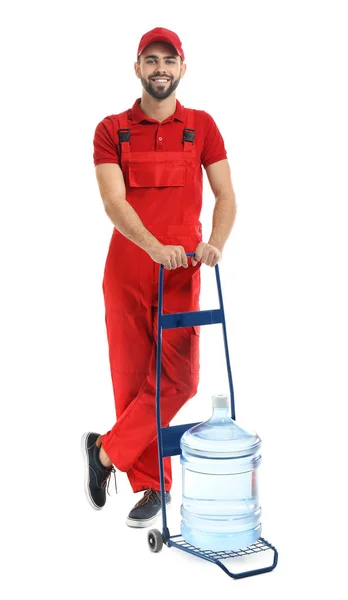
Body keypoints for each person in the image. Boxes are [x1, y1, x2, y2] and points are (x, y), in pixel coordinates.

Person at [82, 27, 237, 528]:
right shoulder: (111, 130)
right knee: (132, 382)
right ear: (137, 69)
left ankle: (106, 452)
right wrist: (153, 247)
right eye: (151, 60)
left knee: (179, 380)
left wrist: (215, 241)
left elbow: (226, 195)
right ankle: (152, 487)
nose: (160, 69)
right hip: (128, 270)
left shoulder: (203, 127)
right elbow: (113, 201)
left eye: (169, 61)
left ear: (182, 69)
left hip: (184, 274)